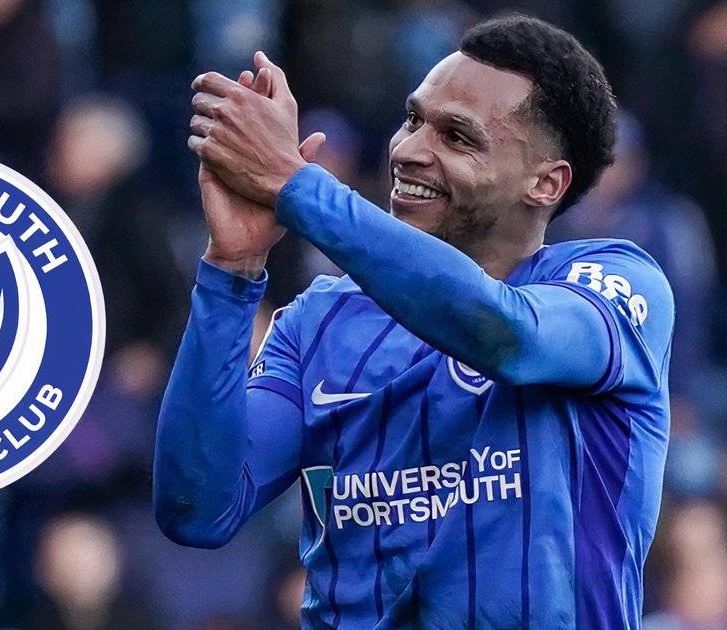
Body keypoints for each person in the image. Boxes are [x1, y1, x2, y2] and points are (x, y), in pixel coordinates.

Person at [155, 15, 674, 628]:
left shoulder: (612, 284)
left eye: (456, 137)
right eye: (412, 120)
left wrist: (297, 187)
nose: (407, 150)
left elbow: (505, 335)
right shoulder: (318, 320)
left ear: (544, 183)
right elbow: (197, 509)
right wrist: (232, 269)